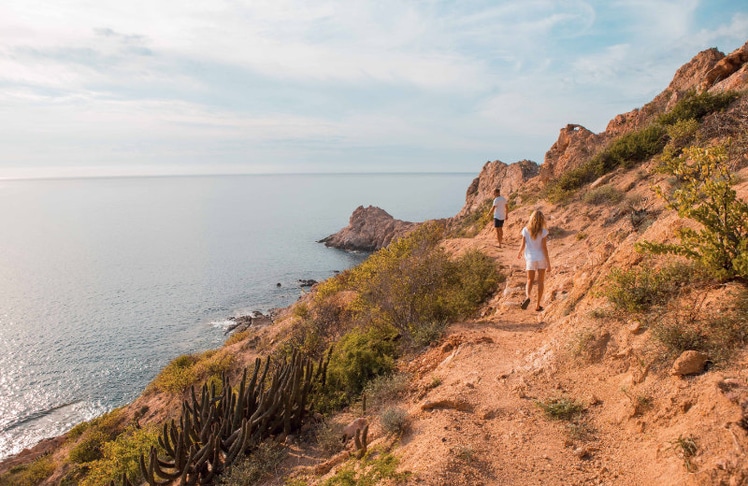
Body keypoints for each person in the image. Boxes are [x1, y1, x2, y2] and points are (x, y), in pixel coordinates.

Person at [517, 210, 551, 311]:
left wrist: (519, 253)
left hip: (530, 258)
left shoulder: (525, 230)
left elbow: (523, 245)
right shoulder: (544, 231)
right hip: (541, 258)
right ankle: (538, 305)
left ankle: (528, 296)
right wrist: (548, 263)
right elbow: (544, 248)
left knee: (529, 280)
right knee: (541, 282)